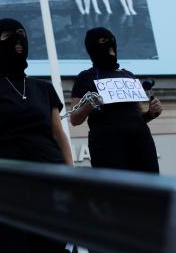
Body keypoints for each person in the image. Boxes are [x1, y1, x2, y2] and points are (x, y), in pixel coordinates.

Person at [0, 18, 72, 253]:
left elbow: (58, 134)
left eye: (21, 33)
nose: (17, 40)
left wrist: (71, 176)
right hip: (6, 185)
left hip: (48, 180)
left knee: (53, 249)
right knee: (14, 250)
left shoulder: (43, 89)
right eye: (7, 35)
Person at [69, 27, 162, 174]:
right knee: (117, 193)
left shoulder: (128, 75)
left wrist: (151, 113)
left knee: (149, 190)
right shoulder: (85, 77)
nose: (110, 44)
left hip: (140, 143)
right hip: (108, 147)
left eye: (112, 40)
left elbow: (135, 117)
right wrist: (89, 105)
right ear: (93, 47)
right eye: (103, 41)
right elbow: (74, 119)